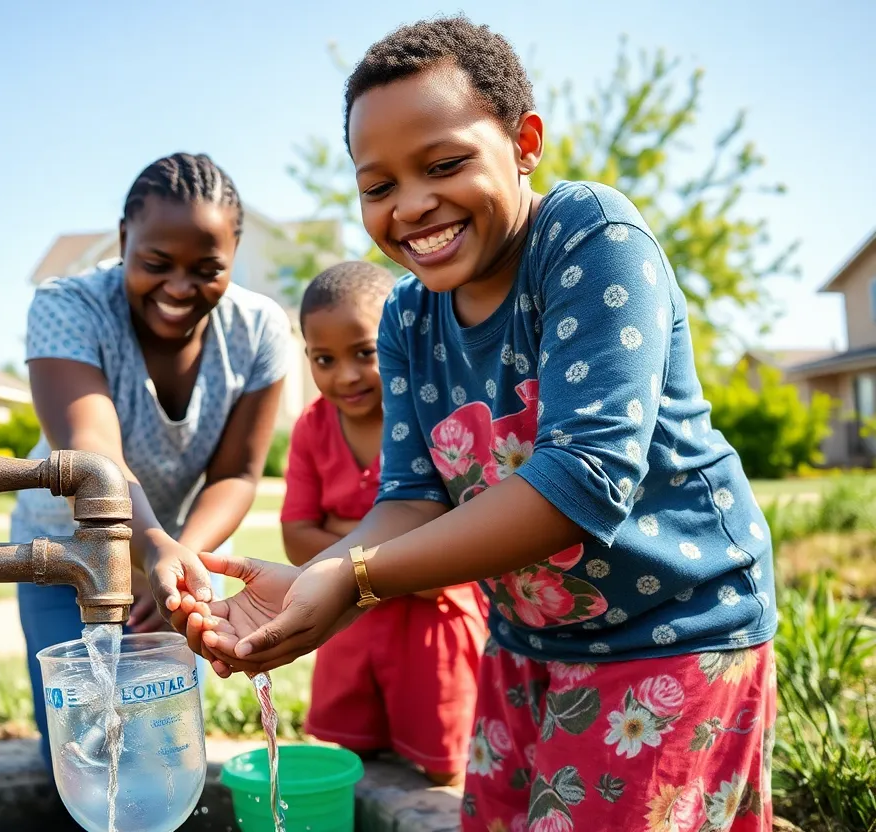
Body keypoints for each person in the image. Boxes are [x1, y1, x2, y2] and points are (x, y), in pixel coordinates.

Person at [187, 18, 777, 831]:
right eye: (378, 185)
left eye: (444, 164)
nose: (413, 204)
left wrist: (354, 579)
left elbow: (584, 480)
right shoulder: (404, 316)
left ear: (525, 141)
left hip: (674, 632)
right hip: (529, 643)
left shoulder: (589, 239)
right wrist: (318, 577)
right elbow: (412, 498)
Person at [13, 151, 292, 771]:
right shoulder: (69, 306)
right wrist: (148, 545)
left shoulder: (258, 329)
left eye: (207, 268)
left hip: (173, 548)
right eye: (156, 264)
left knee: (163, 742)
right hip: (63, 549)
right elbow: (93, 452)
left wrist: (178, 557)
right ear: (122, 240)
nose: (179, 288)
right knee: (79, 745)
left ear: (235, 252)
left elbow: (236, 474)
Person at [282, 260, 486, 785]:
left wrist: (340, 527)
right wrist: (404, 556)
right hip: (348, 625)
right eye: (323, 359)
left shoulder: (429, 412)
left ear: (394, 342)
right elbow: (294, 537)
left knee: (445, 774)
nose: (345, 375)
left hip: (431, 630)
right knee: (351, 767)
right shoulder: (311, 428)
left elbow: (449, 564)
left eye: (364, 353)